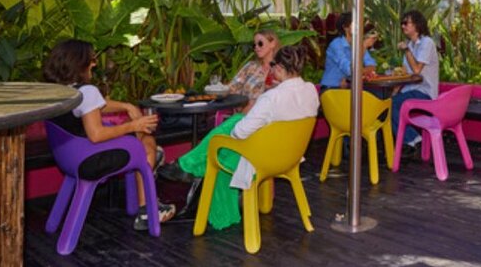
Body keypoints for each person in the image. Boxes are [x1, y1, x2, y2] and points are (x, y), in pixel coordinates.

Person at [158, 44, 319, 230]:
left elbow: (239, 133)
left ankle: (188, 167)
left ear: (280, 68)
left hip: (261, 159)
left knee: (228, 135)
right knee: (234, 123)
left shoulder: (272, 97)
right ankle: (187, 165)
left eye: (274, 66)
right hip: (289, 156)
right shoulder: (310, 91)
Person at [42, 39, 176, 231]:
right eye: (91, 59)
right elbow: (96, 135)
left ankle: (152, 158)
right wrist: (133, 125)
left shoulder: (59, 90)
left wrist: (126, 106)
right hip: (91, 161)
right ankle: (147, 208)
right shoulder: (87, 91)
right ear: (79, 63)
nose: (94, 64)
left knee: (141, 142)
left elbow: (94, 105)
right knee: (145, 141)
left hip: (67, 158)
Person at [392, 10, 440, 157]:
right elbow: (406, 74)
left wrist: (406, 50)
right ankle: (404, 142)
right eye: (402, 23)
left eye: (406, 23)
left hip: (425, 92)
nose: (403, 26)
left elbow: (417, 70)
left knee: (392, 105)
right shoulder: (411, 45)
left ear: (417, 25)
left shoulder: (427, 43)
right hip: (411, 90)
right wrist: (394, 91)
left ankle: (412, 140)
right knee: (387, 102)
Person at [319, 11, 378, 91]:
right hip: (331, 89)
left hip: (349, 87)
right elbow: (350, 70)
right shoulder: (336, 44)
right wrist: (364, 46)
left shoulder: (358, 44)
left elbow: (372, 66)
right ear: (345, 27)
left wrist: (358, 72)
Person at [228, 28, 281, 110]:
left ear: (272, 44)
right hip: (246, 113)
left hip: (271, 115)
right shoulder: (251, 66)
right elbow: (232, 88)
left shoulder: (281, 68)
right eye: (254, 45)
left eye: (260, 43)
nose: (256, 47)